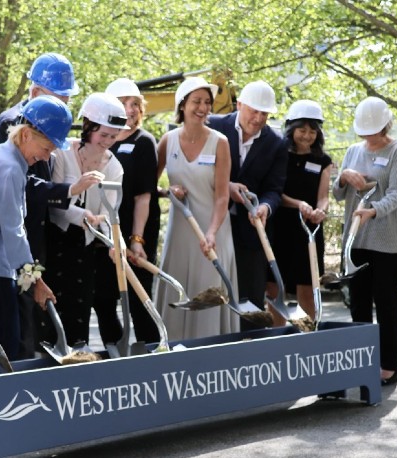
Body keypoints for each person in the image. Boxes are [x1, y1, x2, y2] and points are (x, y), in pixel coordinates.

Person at [0, 53, 96, 359]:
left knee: (29, 324)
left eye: (66, 99)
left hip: (32, 235)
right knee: (11, 327)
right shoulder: (14, 124)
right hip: (12, 243)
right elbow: (23, 187)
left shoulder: (45, 124)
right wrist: (68, 190)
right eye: (58, 98)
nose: (62, 107)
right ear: (35, 93)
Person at [0, 96, 73, 359]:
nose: (46, 157)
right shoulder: (9, 167)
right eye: (46, 149)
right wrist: (35, 280)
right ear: (25, 135)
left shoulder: (0, 154)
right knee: (5, 346)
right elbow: (14, 230)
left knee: (0, 342)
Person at [332, 97, 397, 386]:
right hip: (357, 238)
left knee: (387, 302)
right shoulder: (353, 151)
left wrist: (373, 211)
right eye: (364, 131)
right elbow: (338, 194)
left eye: (374, 130)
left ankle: (388, 365)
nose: (368, 136)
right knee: (358, 304)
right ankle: (362, 361)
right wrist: (343, 177)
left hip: (388, 240)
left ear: (386, 125)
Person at [154, 77, 238, 340]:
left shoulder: (220, 142)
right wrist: (168, 192)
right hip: (180, 233)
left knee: (208, 295)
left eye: (207, 103)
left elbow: (223, 196)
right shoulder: (167, 141)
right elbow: (149, 186)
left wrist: (212, 232)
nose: (202, 107)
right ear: (182, 104)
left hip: (213, 233)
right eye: (196, 101)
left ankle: (211, 355)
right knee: (177, 293)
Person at [45, 92, 125, 344]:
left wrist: (117, 242)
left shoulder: (114, 167)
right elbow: (55, 203)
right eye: (103, 135)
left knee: (79, 312)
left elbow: (110, 214)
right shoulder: (62, 153)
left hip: (85, 249)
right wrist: (83, 215)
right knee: (54, 310)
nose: (108, 142)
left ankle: (78, 359)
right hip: (55, 245)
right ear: (88, 126)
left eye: (113, 136)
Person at [207, 80, 287, 331]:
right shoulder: (212, 127)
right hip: (211, 224)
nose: (259, 117)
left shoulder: (276, 142)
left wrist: (265, 207)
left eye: (265, 113)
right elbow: (198, 170)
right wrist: (226, 186)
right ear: (239, 104)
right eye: (254, 110)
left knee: (251, 297)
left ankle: (250, 350)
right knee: (213, 291)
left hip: (251, 231)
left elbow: (275, 189)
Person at [93, 78, 160, 345]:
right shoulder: (101, 141)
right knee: (103, 300)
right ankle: (117, 354)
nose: (131, 110)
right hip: (104, 235)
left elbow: (144, 197)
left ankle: (153, 354)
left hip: (135, 233)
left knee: (139, 300)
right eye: (124, 104)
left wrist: (136, 239)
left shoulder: (144, 142)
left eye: (135, 104)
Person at [271, 100, 333, 322]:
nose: (307, 136)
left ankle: (308, 336)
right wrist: (299, 204)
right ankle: (277, 336)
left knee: (308, 286)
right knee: (274, 285)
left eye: (312, 131)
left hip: (309, 229)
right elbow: (275, 191)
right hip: (279, 227)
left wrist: (320, 210)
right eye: (302, 130)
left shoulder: (323, 161)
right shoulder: (279, 155)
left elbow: (323, 196)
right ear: (291, 129)